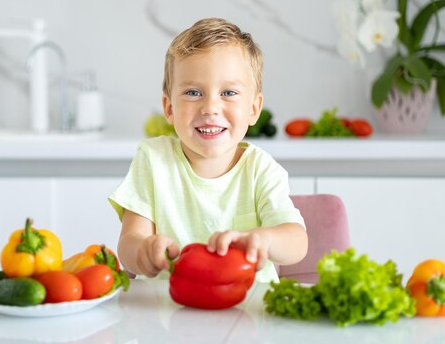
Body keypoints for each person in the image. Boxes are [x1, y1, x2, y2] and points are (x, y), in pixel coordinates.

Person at [109, 18, 308, 282]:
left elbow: (297, 242)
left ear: (253, 109)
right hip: (167, 311)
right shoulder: (153, 159)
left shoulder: (260, 168)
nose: (210, 107)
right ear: (169, 108)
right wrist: (143, 251)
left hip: (248, 310)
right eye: (193, 92)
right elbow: (129, 242)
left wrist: (263, 239)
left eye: (228, 92)